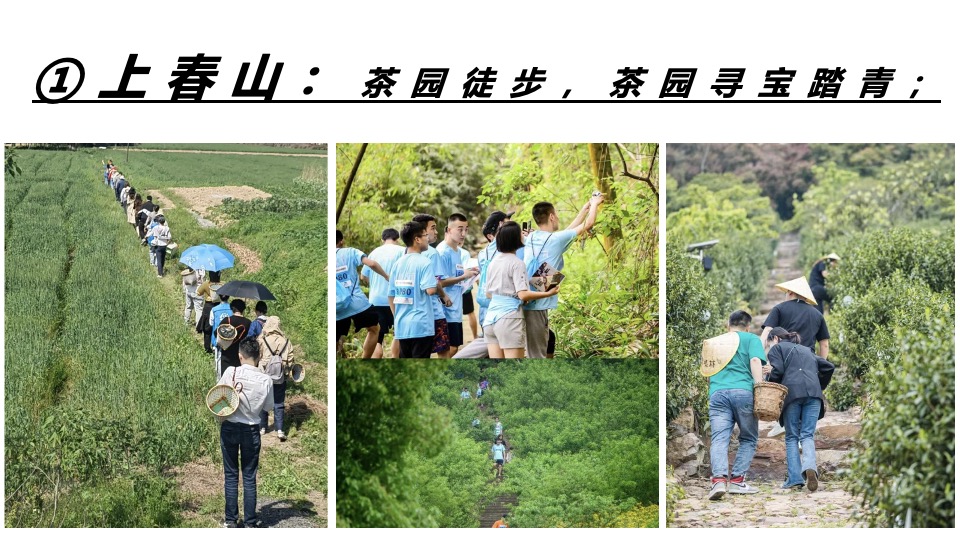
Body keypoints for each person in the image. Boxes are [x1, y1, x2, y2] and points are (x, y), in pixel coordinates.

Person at [522, 194, 603, 358]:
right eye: (556, 214)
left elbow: (567, 233)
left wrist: (584, 209)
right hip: (537, 303)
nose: (558, 218)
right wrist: (595, 204)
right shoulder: (555, 240)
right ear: (551, 216)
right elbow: (588, 224)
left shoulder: (532, 237)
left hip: (529, 297)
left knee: (539, 348)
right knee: (537, 355)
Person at [701, 310, 766, 500]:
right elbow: (755, 360)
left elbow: (707, 372)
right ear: (748, 327)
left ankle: (718, 482)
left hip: (718, 393)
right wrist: (759, 387)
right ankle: (737, 481)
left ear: (727, 325)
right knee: (749, 437)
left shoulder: (714, 342)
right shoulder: (751, 339)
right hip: (743, 391)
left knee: (719, 439)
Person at [765, 327, 835, 492]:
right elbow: (828, 367)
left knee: (791, 437)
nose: (769, 347)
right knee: (807, 434)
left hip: (792, 394)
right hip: (814, 394)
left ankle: (795, 479)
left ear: (775, 339)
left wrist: (770, 377)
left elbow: (778, 371)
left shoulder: (777, 348)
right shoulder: (807, 350)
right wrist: (818, 385)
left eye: (769, 344)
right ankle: (809, 466)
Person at [217, 337, 274, 528]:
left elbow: (219, 396)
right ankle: (250, 522)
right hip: (251, 430)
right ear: (259, 356)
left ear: (240, 355)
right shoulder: (266, 380)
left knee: (231, 475)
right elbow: (268, 407)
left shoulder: (230, 372)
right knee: (249, 477)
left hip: (230, 427)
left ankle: (231, 521)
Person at [483, 222, 559, 358]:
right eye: (520, 234)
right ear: (515, 239)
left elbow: (488, 294)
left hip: (490, 320)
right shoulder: (517, 263)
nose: (523, 236)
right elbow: (523, 294)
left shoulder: (493, 262)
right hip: (508, 318)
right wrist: (548, 293)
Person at [387, 221, 441, 358]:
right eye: (425, 235)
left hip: (402, 326)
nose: (427, 238)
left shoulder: (398, 263)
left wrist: (397, 316)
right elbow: (430, 290)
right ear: (417, 239)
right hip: (421, 326)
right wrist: (435, 282)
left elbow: (391, 295)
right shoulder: (425, 262)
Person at [335, 229, 389, 358]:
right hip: (357, 303)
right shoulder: (350, 252)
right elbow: (372, 263)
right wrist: (386, 276)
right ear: (341, 241)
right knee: (374, 329)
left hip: (336, 307)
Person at [437, 214, 480, 357]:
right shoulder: (443, 252)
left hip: (455, 308)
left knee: (454, 348)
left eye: (466, 229)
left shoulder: (458, 251)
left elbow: (455, 276)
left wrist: (470, 274)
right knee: (449, 349)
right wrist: (463, 276)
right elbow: (439, 282)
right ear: (449, 230)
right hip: (445, 309)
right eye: (460, 229)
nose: (463, 233)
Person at [412, 213, 454, 357]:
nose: (436, 232)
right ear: (422, 231)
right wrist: (444, 296)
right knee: (443, 352)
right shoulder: (432, 253)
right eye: (433, 228)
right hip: (433, 312)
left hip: (413, 312)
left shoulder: (405, 252)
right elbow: (436, 283)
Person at [361, 228, 405, 358]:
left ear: (382, 240)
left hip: (376, 300)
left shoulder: (374, 252)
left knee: (377, 337)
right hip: (397, 300)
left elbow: (363, 276)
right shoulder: (403, 251)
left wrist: (374, 283)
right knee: (399, 334)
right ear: (397, 239)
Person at [760, 277, 830, 359]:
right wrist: (820, 364)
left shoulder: (779, 308)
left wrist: (758, 356)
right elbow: (824, 345)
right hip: (808, 361)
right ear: (805, 297)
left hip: (784, 359)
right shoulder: (818, 314)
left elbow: (767, 331)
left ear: (790, 292)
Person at [257, 315, 293, 442]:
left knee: (263, 400)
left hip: (264, 375)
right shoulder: (286, 341)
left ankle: (262, 427)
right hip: (280, 376)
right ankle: (279, 429)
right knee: (279, 403)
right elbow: (290, 360)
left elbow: (257, 355)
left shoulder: (263, 340)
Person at [218, 299, 252, 376]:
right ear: (243, 309)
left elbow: (216, 333)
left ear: (232, 308)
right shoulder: (248, 322)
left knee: (226, 376)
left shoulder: (227, 320)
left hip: (226, 353)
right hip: (241, 355)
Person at [197, 270, 224, 353]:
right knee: (218, 326)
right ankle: (216, 346)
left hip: (208, 306)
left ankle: (207, 348)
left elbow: (198, 293)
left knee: (207, 328)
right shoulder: (222, 284)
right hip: (219, 306)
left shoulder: (206, 284)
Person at [459, 239, 479, 341]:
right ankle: (475, 337)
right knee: (470, 312)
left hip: (454, 288)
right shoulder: (465, 253)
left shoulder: (445, 251)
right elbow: (470, 268)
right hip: (466, 288)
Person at [210, 294, 234, 373]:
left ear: (219, 297)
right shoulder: (232, 309)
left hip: (218, 337)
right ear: (229, 297)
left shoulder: (214, 309)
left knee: (218, 359)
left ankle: (218, 376)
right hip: (230, 337)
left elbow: (211, 323)